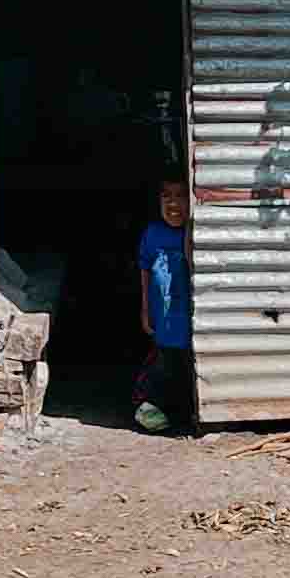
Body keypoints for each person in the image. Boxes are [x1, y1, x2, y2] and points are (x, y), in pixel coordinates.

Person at [132, 176, 194, 433]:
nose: (173, 203)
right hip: (164, 315)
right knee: (167, 362)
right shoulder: (153, 234)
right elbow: (145, 271)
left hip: (188, 315)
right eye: (166, 196)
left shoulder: (193, 232)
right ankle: (163, 414)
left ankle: (186, 414)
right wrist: (145, 310)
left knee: (186, 363)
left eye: (180, 196)